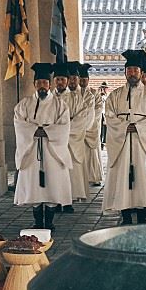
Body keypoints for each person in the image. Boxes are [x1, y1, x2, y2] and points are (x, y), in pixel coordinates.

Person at [102, 49, 146, 225]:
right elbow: (110, 115)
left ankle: (142, 216)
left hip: (142, 145)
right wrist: (124, 127)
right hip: (122, 144)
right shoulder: (115, 95)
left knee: (143, 180)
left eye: (135, 71)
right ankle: (126, 216)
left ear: (141, 73)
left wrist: (138, 127)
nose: (132, 74)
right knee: (122, 179)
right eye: (129, 71)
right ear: (125, 72)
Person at [14, 63, 72, 230]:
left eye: (45, 83)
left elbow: (64, 126)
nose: (42, 86)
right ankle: (38, 222)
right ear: (34, 84)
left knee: (52, 186)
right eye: (39, 83)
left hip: (53, 152)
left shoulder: (60, 105)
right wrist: (34, 131)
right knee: (34, 188)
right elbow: (19, 123)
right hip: (32, 151)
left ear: (50, 84)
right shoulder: (24, 104)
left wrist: (45, 132)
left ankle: (50, 222)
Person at [53, 62, 95, 213]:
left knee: (69, 172)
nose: (61, 82)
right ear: (54, 81)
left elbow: (83, 118)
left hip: (71, 141)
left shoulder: (76, 98)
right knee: (55, 171)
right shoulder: (49, 99)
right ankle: (56, 201)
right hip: (53, 143)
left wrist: (63, 129)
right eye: (58, 79)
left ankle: (68, 201)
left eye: (64, 80)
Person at [78, 63, 104, 187]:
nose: (83, 82)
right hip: (77, 129)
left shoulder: (94, 93)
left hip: (91, 127)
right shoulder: (74, 93)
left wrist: (88, 122)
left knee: (92, 153)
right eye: (81, 80)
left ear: (88, 80)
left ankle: (93, 177)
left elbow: (99, 109)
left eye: (85, 80)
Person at [99, 81, 108, 149]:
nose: (104, 89)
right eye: (102, 88)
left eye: (105, 88)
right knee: (100, 129)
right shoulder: (98, 96)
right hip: (99, 114)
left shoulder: (108, 96)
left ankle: (104, 142)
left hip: (105, 114)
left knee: (105, 129)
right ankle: (100, 143)